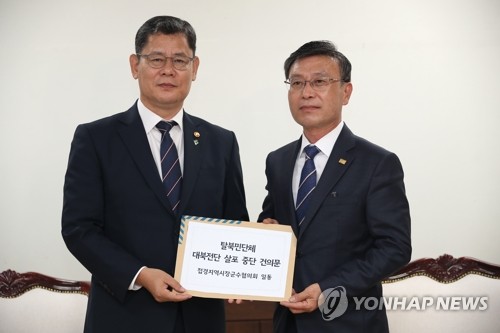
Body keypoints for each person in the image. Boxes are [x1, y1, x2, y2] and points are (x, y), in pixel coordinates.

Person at [61, 15, 248, 333]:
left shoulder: (221, 142)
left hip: (201, 318)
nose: (168, 71)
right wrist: (140, 274)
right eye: (156, 59)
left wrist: (246, 262)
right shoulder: (96, 138)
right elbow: (79, 228)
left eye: (180, 60)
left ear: (195, 67)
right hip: (124, 317)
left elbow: (234, 223)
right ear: (135, 65)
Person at [259, 40, 411, 332]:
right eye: (297, 83)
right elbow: (274, 225)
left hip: (349, 322)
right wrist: (266, 228)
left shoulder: (377, 163)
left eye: (320, 81)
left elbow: (395, 247)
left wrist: (328, 288)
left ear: (346, 92)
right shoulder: (277, 161)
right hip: (287, 322)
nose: (307, 92)